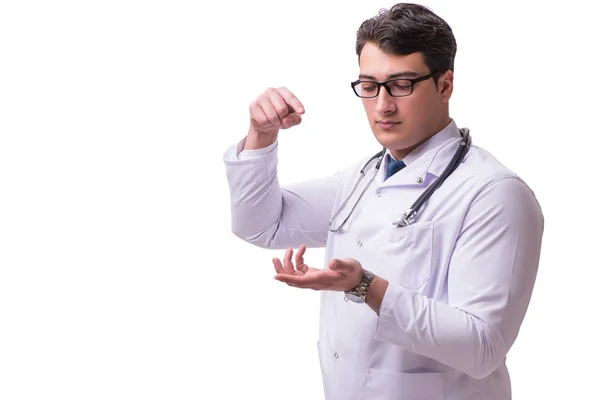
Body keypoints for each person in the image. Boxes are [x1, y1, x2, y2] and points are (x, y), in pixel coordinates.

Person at [222, 3, 544, 399]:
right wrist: (260, 136)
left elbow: (482, 348)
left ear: (445, 85)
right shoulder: (360, 179)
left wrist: (365, 286)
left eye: (401, 84)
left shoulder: (494, 193)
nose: (382, 106)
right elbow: (260, 224)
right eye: (370, 86)